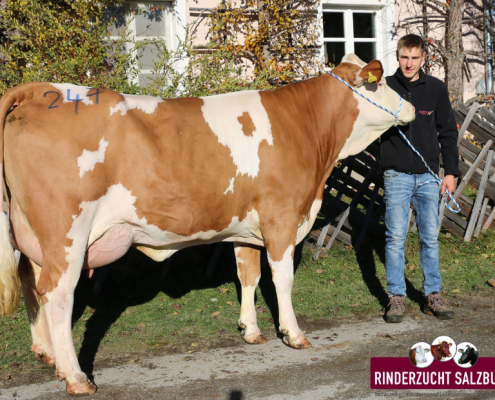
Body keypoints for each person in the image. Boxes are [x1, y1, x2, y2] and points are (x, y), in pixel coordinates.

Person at [379, 34, 460, 323]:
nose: (409, 63)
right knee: (395, 238)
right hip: (396, 175)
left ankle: (433, 294)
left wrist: (449, 172)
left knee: (429, 238)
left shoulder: (435, 88)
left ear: (423, 58)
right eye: (404, 57)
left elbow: (448, 133)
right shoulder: (384, 87)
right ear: (397, 57)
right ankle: (396, 297)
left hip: (428, 176)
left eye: (415, 57)